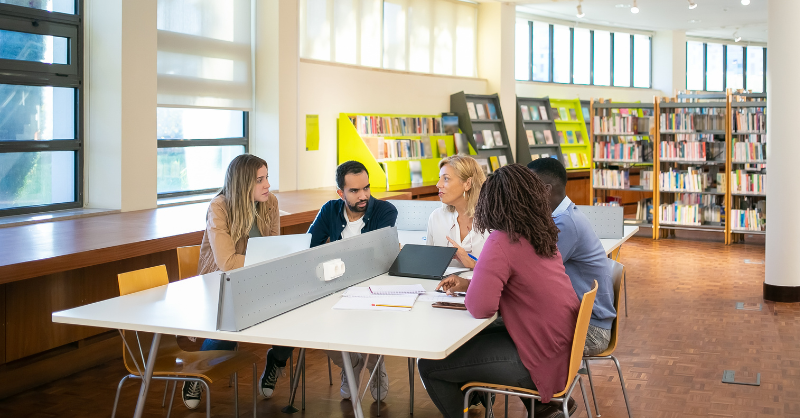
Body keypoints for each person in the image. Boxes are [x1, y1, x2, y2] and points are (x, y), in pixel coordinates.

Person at [418, 164, 581, 418]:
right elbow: (519, 287)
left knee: (429, 365)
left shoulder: (501, 240)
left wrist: (475, 286)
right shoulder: (540, 233)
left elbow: (481, 308)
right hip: (560, 348)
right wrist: (471, 283)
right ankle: (534, 406)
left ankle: (481, 400)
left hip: (536, 358)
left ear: (491, 203)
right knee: (473, 342)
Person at [187, 154, 292, 409]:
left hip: (260, 279)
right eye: (260, 179)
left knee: (294, 314)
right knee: (231, 324)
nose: (267, 184)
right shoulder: (219, 207)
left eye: (267, 177)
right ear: (243, 183)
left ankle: (275, 362)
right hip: (223, 283)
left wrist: (272, 260)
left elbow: (274, 247)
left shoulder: (270, 202)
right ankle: (197, 373)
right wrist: (267, 259)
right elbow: (227, 262)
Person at [307, 160, 398, 401]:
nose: (364, 195)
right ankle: (352, 363)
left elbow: (376, 255)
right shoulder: (329, 210)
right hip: (335, 286)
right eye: (355, 191)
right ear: (340, 193)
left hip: (373, 287)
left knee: (370, 321)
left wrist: (335, 254)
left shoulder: (385, 211)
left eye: (366, 188)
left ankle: (375, 363)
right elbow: (309, 248)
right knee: (314, 325)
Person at [527, 157, 615, 356]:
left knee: (508, 336)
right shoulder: (561, 216)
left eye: (529, 187)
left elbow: (534, 272)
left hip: (591, 330)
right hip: (580, 319)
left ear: (546, 190)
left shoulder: (565, 223)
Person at [426, 155, 488, 270]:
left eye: (446, 178)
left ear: (467, 184)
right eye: (439, 178)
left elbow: (506, 271)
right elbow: (429, 262)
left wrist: (472, 264)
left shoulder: (493, 221)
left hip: (481, 287)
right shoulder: (437, 217)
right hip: (443, 287)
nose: (438, 184)